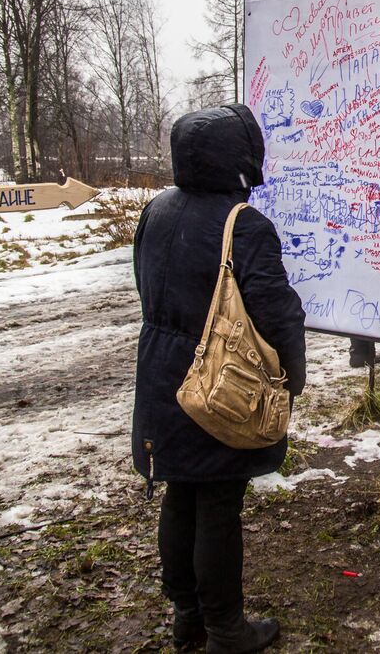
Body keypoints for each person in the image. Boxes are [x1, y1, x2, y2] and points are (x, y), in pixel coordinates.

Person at [131, 104, 307, 654]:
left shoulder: (157, 209)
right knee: (218, 505)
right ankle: (227, 631)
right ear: (241, 156)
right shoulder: (243, 224)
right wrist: (291, 378)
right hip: (220, 379)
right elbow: (277, 313)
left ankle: (188, 620)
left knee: (180, 492)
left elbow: (145, 283)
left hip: (162, 374)